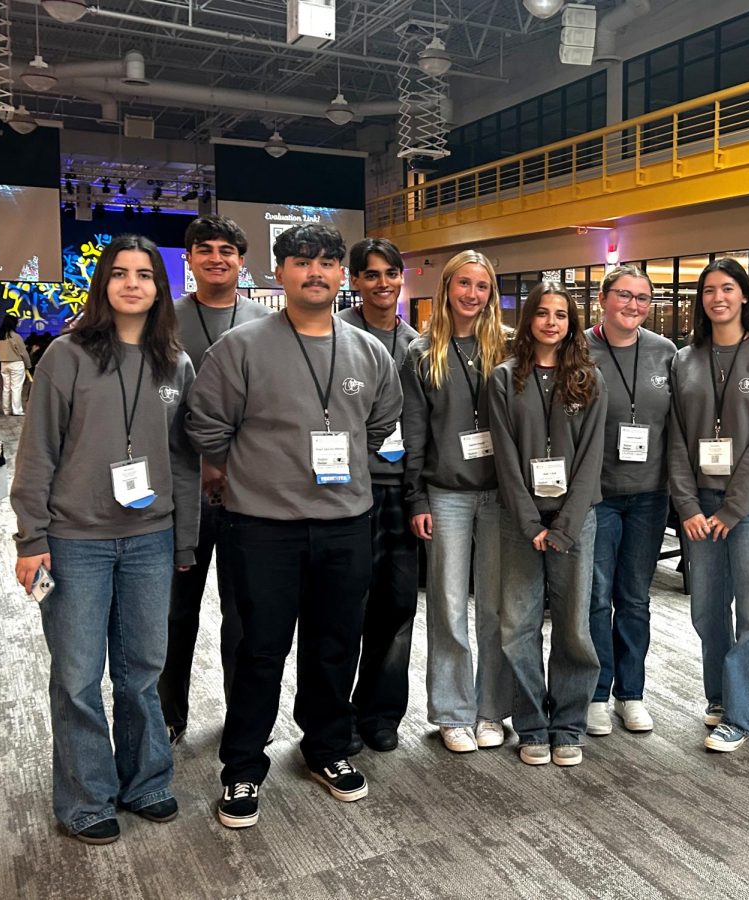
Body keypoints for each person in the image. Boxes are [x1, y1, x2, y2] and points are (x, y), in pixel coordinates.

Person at [187, 224, 402, 826]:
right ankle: (242, 766)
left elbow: (380, 425)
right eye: (301, 262)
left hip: (345, 524)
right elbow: (205, 425)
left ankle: (327, 747)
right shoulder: (241, 347)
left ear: (341, 275)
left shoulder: (369, 351)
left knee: (335, 644)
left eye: (328, 263)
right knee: (259, 648)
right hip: (261, 528)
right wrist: (249, 472)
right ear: (278, 273)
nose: (316, 272)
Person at [10, 234, 200, 845]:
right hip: (74, 541)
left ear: (160, 288)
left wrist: (184, 540)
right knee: (77, 674)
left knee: (142, 670)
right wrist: (29, 538)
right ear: (104, 284)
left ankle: (146, 782)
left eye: (145, 274)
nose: (133, 283)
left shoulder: (177, 362)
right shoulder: (66, 356)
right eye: (120, 273)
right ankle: (87, 798)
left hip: (150, 537)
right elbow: (36, 452)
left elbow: (185, 462)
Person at [669, 258, 749, 752]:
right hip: (699, 502)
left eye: (727, 289)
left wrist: (734, 507)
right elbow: (675, 437)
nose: (717, 298)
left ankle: (743, 716)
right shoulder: (685, 360)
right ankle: (720, 696)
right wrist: (687, 505)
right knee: (706, 608)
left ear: (745, 296)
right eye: (708, 291)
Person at [157, 215, 271, 748]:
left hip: (250, 489)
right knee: (175, 610)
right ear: (190, 259)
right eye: (206, 249)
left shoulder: (267, 321)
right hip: (183, 489)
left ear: (242, 261)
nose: (217, 258)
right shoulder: (165, 320)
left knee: (244, 615)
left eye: (228, 249)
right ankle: (168, 714)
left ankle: (244, 719)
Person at [490, 282, 606, 767]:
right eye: (543, 313)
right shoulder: (503, 378)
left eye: (561, 314)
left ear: (572, 323)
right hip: (521, 521)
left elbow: (591, 460)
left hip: (576, 522)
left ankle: (568, 725)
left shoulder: (589, 378)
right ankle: (533, 724)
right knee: (518, 626)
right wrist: (530, 522)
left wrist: (565, 526)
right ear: (529, 320)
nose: (551, 322)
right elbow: (505, 459)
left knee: (574, 627)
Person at [401, 250, 512, 754]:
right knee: (447, 606)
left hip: (502, 495)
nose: (472, 294)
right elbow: (414, 433)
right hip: (444, 493)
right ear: (446, 289)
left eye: (482, 286)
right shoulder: (422, 353)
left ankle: (492, 708)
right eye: (463, 284)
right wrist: (416, 497)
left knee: (496, 607)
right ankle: (452, 711)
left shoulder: (509, 349)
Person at [583, 265, 675, 736]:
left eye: (643, 297)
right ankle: (597, 692)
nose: (633, 305)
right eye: (624, 295)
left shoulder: (665, 352)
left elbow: (678, 425)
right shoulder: (577, 348)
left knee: (635, 597)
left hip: (649, 495)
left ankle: (631, 693)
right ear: (603, 298)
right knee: (597, 597)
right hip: (596, 495)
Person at [336, 238, 420, 754]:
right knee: (343, 608)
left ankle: (381, 713)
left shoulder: (417, 345)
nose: (382, 284)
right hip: (348, 491)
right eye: (371, 275)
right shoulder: (336, 336)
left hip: (401, 493)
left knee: (396, 607)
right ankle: (335, 714)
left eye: (391, 274)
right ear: (356, 280)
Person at [0, 314, 31, 416]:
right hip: (16, 364)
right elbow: (23, 352)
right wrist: (28, 365)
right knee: (16, 388)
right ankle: (17, 410)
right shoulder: (16, 336)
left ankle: (6, 410)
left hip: (3, 364)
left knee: (6, 388)